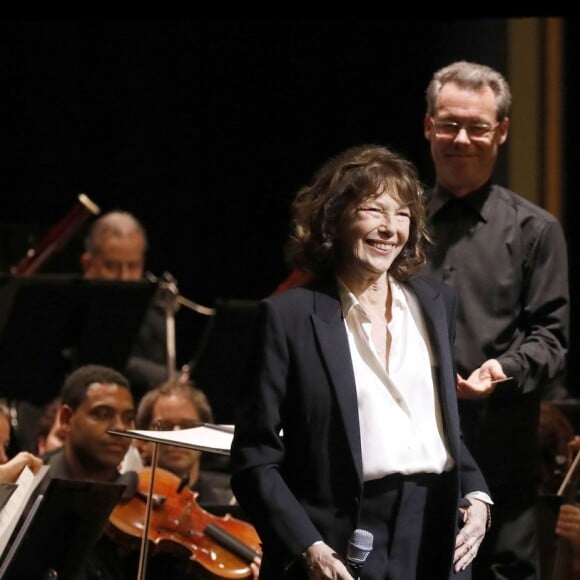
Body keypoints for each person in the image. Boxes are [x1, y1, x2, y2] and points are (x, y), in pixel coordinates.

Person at [230, 144, 491, 580]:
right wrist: (307, 547)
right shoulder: (289, 316)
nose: (390, 228)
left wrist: (478, 493)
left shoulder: (436, 303)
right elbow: (254, 458)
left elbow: (439, 426)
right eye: (374, 210)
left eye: (404, 214)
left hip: (436, 529)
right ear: (335, 219)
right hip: (338, 538)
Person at [421, 60, 570, 579]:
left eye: (478, 126)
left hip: (501, 459)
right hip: (409, 464)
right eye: (449, 124)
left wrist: (501, 371)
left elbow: (552, 338)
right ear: (428, 126)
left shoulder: (536, 230)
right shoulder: (395, 226)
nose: (461, 138)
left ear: (501, 131)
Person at [38, 364, 138, 580]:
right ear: (66, 419)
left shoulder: (139, 501)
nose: (120, 427)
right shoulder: (32, 488)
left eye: (128, 418)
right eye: (102, 414)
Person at [81, 210, 171, 399]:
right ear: (88, 264)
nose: (125, 277)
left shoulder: (155, 313)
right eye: (112, 266)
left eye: (133, 266)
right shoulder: (69, 312)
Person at [133, 378, 234, 506]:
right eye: (165, 427)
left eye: (188, 426)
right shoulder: (127, 496)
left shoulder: (231, 500)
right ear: (143, 440)